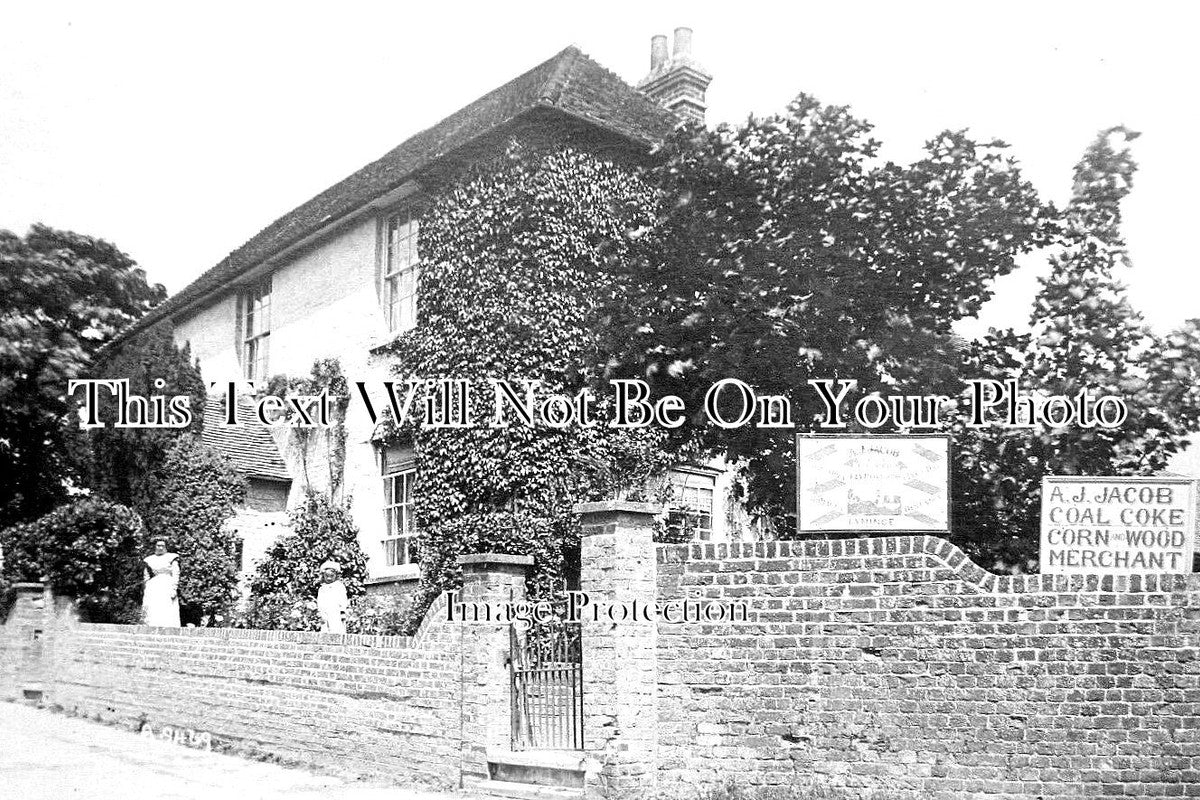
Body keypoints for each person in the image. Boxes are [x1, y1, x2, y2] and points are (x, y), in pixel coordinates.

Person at [142, 538, 181, 627]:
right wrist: (146, 586)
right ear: (155, 546)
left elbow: (176, 573)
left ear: (166, 547)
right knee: (153, 606)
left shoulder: (171, 557)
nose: (160, 548)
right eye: (158, 545)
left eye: (162, 546)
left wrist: (174, 588)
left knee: (166, 606)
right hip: (154, 584)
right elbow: (146, 575)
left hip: (167, 583)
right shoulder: (150, 559)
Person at [316, 560, 348, 634]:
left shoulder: (339, 586)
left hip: (335, 611)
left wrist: (342, 610)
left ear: (336, 575)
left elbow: (343, 599)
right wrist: (320, 611)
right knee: (325, 629)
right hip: (325, 611)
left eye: (332, 576)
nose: (329, 578)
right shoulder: (322, 588)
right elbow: (320, 600)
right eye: (327, 576)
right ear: (323, 576)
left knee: (336, 628)